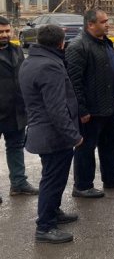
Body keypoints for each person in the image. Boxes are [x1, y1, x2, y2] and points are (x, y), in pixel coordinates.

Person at [19, 24, 83, 243]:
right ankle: (45, 226)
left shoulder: (31, 60)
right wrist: (74, 136)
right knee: (52, 181)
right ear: (61, 43)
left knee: (53, 177)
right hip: (54, 136)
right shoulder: (50, 66)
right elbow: (56, 109)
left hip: (43, 132)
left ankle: (53, 212)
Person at [65, 8, 114, 199]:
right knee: (86, 147)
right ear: (90, 24)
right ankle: (82, 185)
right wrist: (81, 109)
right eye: (103, 21)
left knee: (111, 142)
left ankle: (111, 178)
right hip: (91, 109)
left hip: (108, 104)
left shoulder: (104, 42)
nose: (108, 24)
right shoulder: (78, 46)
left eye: (107, 20)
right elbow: (73, 81)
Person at [0, 16, 38, 204]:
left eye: (7, 31)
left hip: (16, 111)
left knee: (15, 147)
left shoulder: (16, 50)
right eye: (1, 32)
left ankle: (18, 183)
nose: (5, 35)